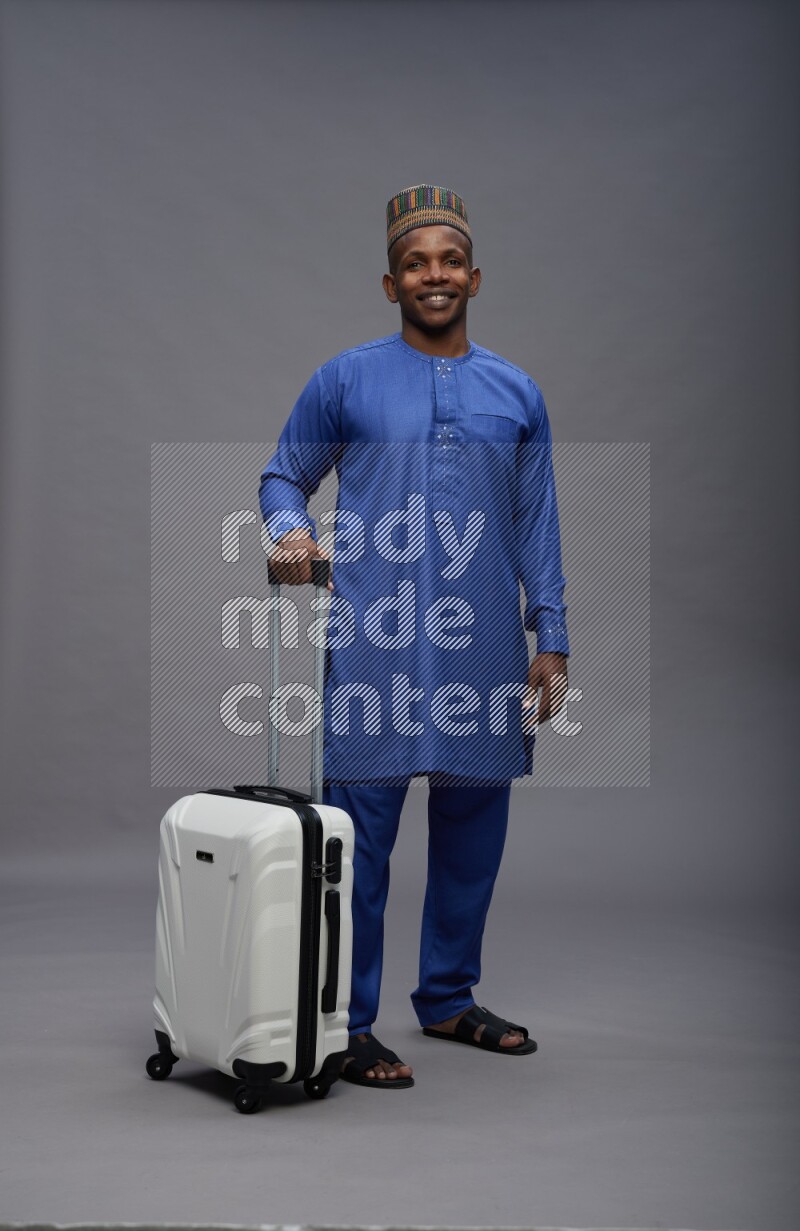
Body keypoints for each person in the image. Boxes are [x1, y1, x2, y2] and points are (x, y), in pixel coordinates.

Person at [259, 184, 569, 1089]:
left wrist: (551, 629)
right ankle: (347, 1022)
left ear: (474, 275)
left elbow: (537, 518)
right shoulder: (347, 378)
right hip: (377, 641)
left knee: (474, 835)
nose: (433, 274)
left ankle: (446, 998)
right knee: (359, 843)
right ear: (390, 284)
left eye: (447, 260)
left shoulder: (517, 393)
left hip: (482, 644)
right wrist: (291, 533)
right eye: (414, 263)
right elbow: (284, 475)